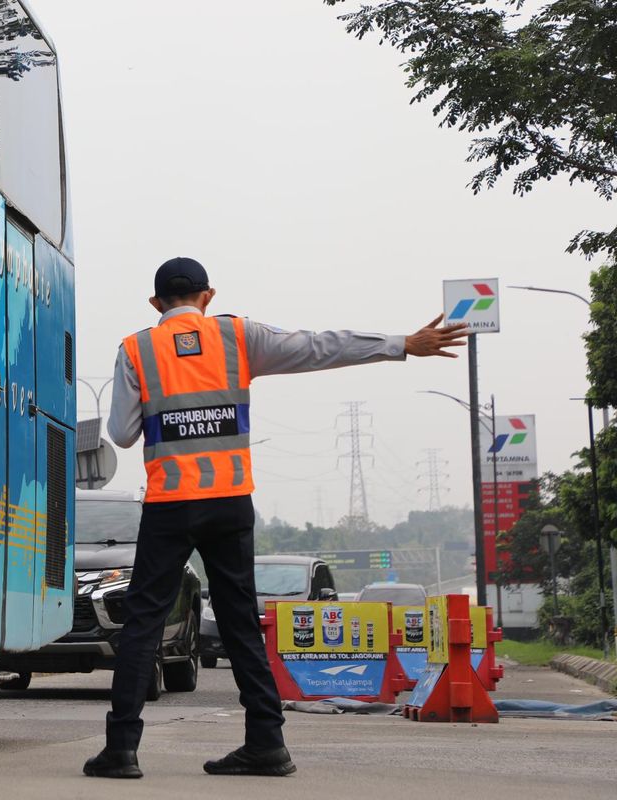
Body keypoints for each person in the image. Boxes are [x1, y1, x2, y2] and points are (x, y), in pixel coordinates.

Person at [83, 256, 469, 780]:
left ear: (155, 304)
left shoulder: (136, 349)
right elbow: (317, 346)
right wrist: (401, 343)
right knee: (240, 623)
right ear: (208, 297)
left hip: (170, 505)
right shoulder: (238, 337)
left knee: (144, 624)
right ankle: (266, 743)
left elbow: (124, 435)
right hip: (229, 502)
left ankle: (121, 750)